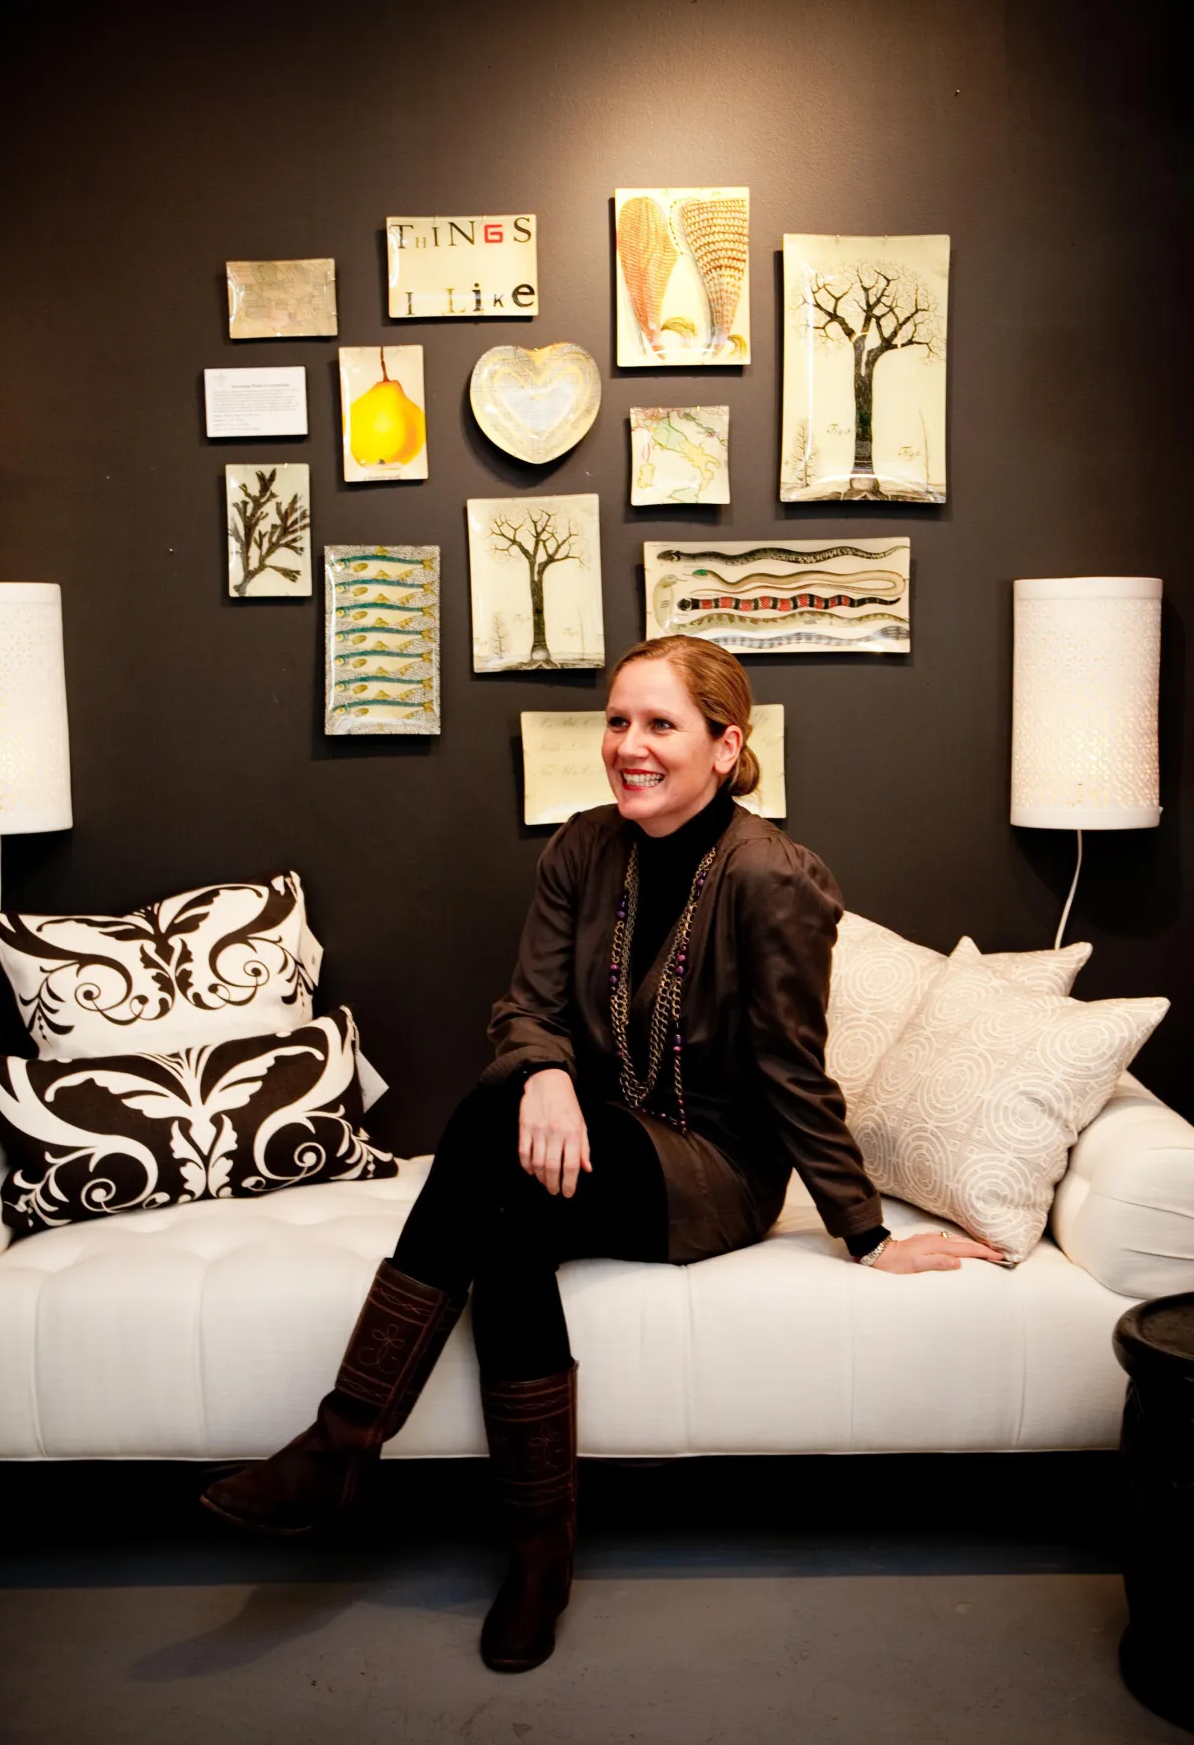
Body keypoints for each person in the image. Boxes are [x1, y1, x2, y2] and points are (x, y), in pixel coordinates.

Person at [201, 636, 1005, 1672]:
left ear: (727, 744)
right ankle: (538, 1557)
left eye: (660, 725)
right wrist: (543, 1074)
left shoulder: (775, 878)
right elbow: (528, 1007)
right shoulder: (582, 849)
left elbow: (793, 1073)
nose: (629, 745)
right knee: (510, 1220)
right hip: (597, 1128)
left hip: (713, 1167)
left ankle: (345, 1442)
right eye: (618, 721)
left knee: (496, 1124)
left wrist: (864, 1232)